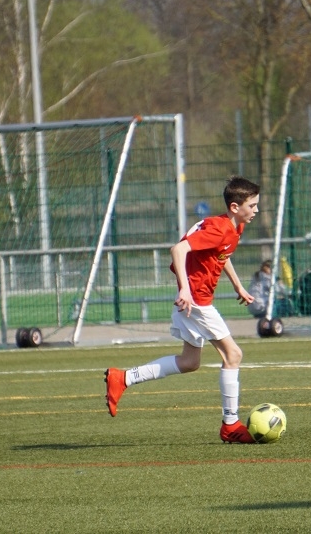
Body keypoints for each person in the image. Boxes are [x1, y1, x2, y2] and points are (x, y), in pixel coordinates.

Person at [104, 176, 260, 444]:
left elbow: (222, 255)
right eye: (252, 205)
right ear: (235, 207)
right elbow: (178, 249)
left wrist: (238, 286)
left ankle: (123, 378)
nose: (256, 210)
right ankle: (231, 424)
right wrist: (185, 290)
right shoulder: (219, 229)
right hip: (196, 301)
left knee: (189, 362)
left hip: (194, 300)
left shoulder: (234, 227)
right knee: (233, 354)